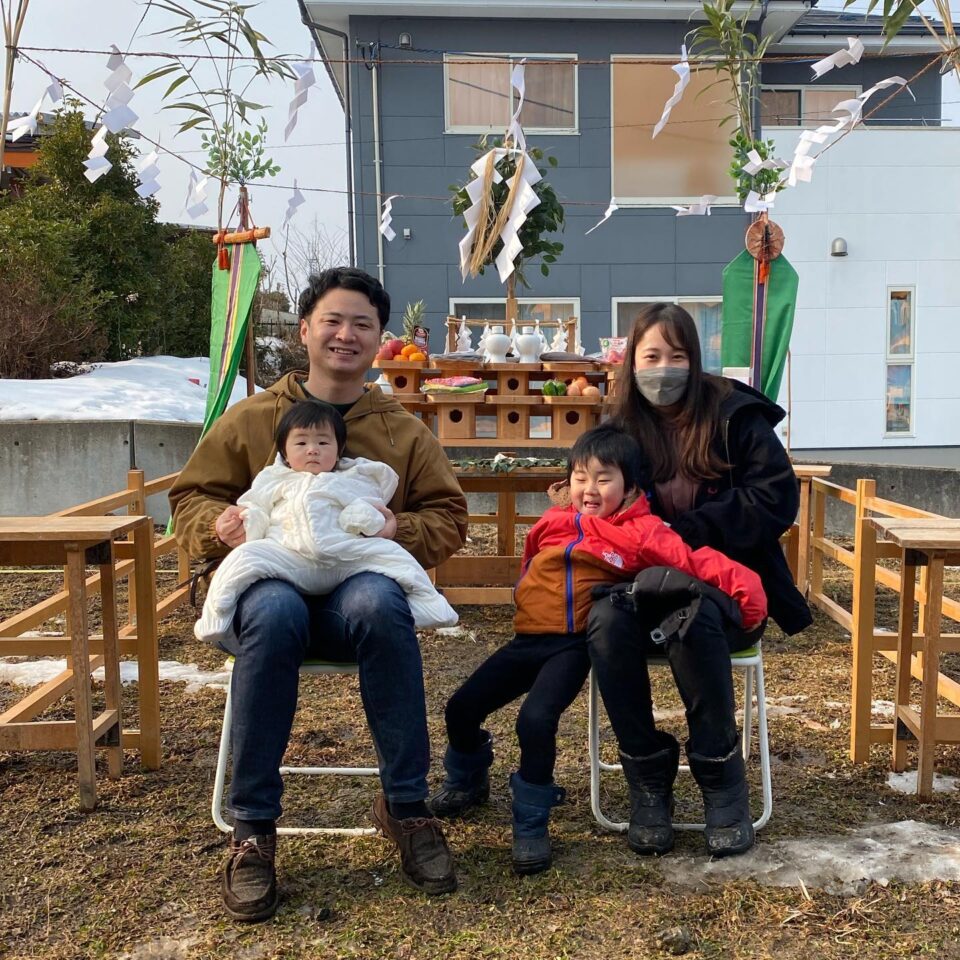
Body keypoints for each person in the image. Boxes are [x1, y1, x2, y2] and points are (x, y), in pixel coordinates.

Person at [170, 267, 468, 922]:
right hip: (271, 595)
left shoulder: (402, 434)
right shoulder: (252, 419)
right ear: (304, 330)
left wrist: (400, 526)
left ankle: (407, 808)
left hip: (357, 606)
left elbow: (448, 516)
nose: (345, 334)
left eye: (362, 323)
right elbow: (192, 495)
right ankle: (252, 828)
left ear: (380, 340)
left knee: (377, 600)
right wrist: (214, 528)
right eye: (332, 320)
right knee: (273, 611)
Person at [430, 425, 766, 875]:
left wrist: (747, 592)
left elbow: (691, 561)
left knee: (535, 719)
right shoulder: (553, 520)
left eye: (604, 478)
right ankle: (468, 780)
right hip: (527, 638)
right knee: (460, 707)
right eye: (580, 477)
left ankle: (531, 822)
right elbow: (532, 559)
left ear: (629, 486)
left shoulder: (640, 532)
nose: (589, 489)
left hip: (571, 645)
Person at [584, 301, 812, 860]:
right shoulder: (618, 428)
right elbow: (593, 500)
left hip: (727, 588)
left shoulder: (735, 416)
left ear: (694, 358)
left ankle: (720, 779)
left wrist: (688, 532)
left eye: (676, 355)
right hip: (639, 585)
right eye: (650, 355)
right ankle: (648, 779)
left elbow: (776, 498)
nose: (663, 367)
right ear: (631, 362)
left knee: (695, 619)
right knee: (605, 623)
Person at [194, 399, 458, 648]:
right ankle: (217, 616)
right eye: (301, 443)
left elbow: (366, 504)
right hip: (287, 554)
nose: (313, 449)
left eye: (323, 442)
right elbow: (255, 507)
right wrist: (242, 522)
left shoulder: (349, 477)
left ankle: (430, 605)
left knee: (393, 556)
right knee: (242, 559)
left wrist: (369, 520)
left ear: (339, 449)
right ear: (284, 452)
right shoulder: (274, 478)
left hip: (343, 555)